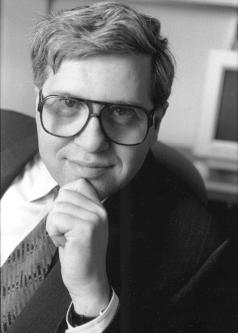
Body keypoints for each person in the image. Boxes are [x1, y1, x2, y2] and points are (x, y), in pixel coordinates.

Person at [1, 2, 237, 332]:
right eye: (69, 103)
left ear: (156, 122)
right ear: (38, 99)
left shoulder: (199, 254)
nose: (91, 142)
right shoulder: (3, 129)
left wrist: (91, 301)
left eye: (122, 112)